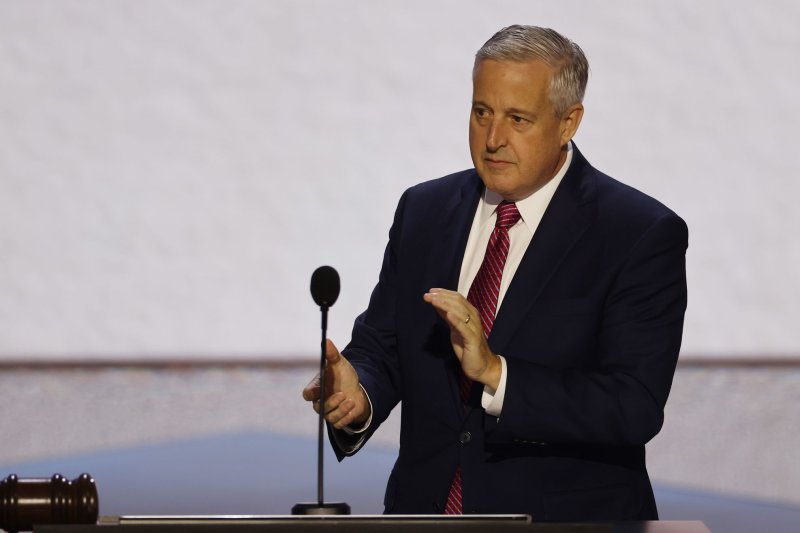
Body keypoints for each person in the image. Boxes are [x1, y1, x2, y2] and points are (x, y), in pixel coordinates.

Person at [303, 25, 687, 521]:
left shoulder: (637, 233)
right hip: (425, 514)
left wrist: (497, 375)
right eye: (481, 112)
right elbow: (386, 347)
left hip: (564, 521)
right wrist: (359, 393)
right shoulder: (423, 210)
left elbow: (632, 406)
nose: (493, 139)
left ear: (569, 122)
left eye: (518, 119)